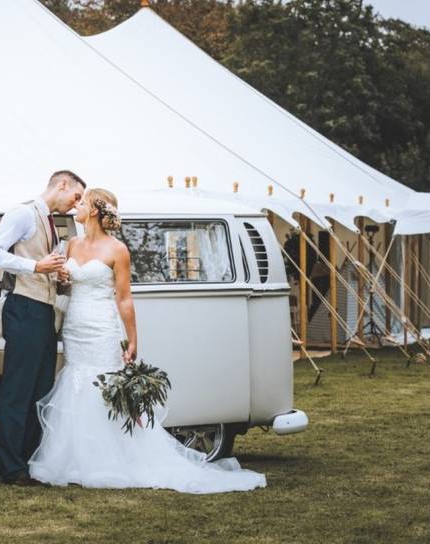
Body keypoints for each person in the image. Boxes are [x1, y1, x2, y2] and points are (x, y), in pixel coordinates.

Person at [28, 188, 267, 493]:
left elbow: (124, 299)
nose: (77, 206)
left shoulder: (117, 249)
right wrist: (62, 280)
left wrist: (132, 340)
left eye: (83, 202)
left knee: (102, 386)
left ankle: (113, 459)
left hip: (102, 325)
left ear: (96, 211)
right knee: (77, 383)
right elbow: (66, 288)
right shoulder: (72, 244)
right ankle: (78, 458)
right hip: (75, 325)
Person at [0, 170, 86, 485]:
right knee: (17, 390)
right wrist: (35, 266)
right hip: (23, 308)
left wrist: (57, 276)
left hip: (43, 311)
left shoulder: (51, 223)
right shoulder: (23, 214)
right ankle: (11, 468)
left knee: (40, 389)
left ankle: (30, 461)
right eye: (76, 196)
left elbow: (44, 266)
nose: (75, 204)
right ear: (62, 184)